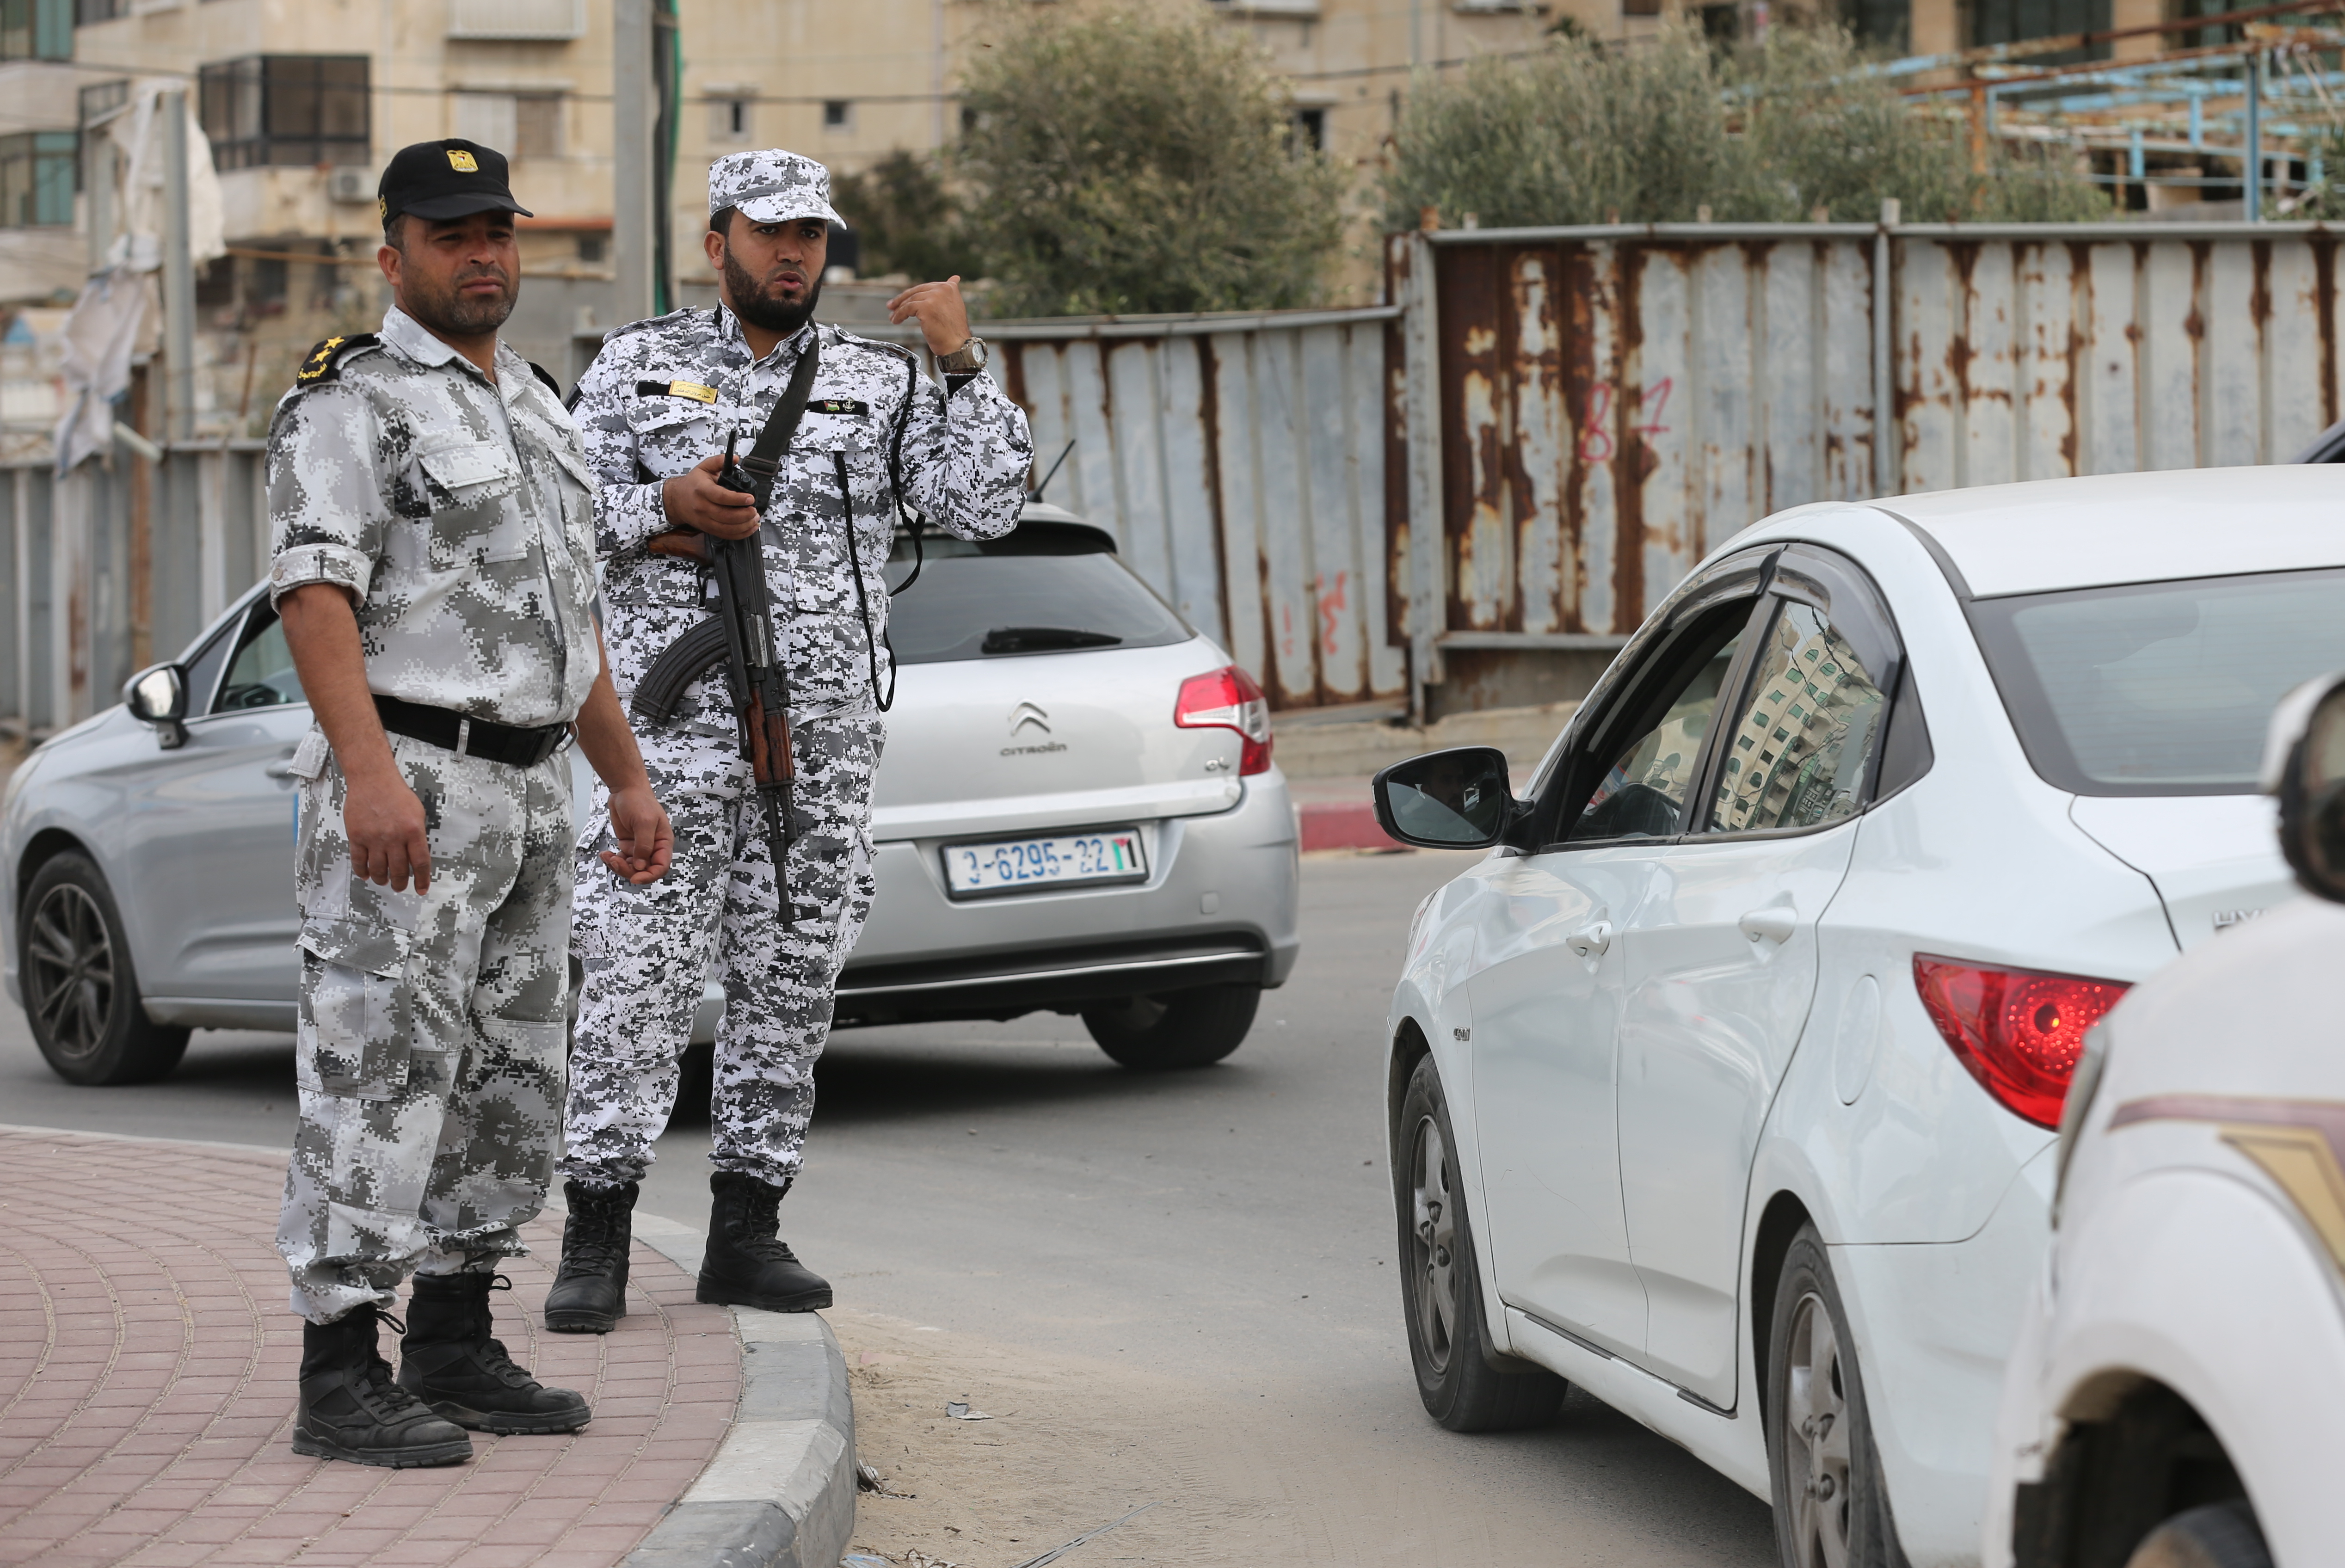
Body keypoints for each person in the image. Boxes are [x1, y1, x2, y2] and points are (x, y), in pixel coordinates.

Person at [545, 149, 1032, 1330]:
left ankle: (747, 1232)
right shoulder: (636, 366)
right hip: (667, 750)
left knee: (790, 989)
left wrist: (961, 359)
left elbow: (987, 504)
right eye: (770, 233)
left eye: (812, 235)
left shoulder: (879, 379)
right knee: (633, 993)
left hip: (820, 752)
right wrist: (660, 507)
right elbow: (554, 526)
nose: (794, 253)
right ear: (718, 245)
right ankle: (596, 1235)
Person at [269, 138, 676, 1468]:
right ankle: (341, 1369)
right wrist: (371, 771)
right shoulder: (355, 400)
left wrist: (620, 774)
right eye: (452, 235)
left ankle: (451, 1335)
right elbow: (314, 595)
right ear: (395, 256)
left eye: (498, 229)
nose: (483, 253)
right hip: (416, 784)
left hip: (534, 787)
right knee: (380, 1066)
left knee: (511, 1079)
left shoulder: (541, 407)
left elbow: (575, 625)